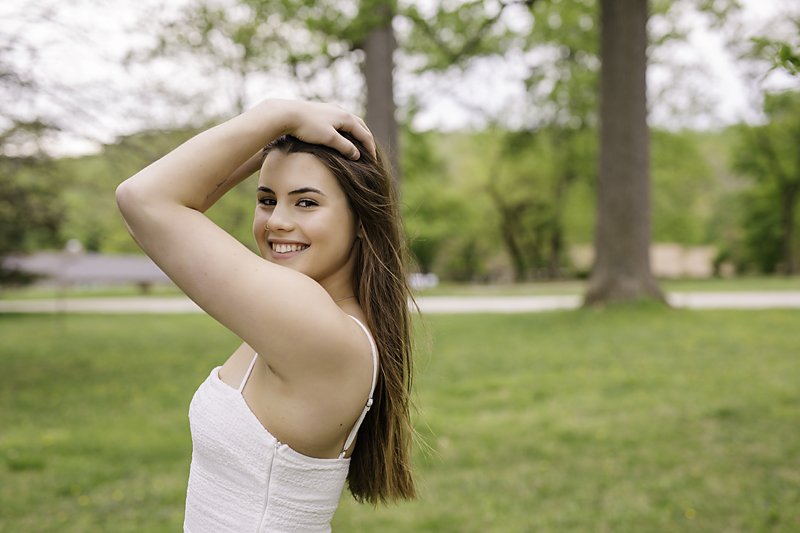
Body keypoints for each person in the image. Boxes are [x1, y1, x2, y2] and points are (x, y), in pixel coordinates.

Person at [116, 99, 416, 532]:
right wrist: (277, 142)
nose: (277, 222)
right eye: (266, 199)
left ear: (363, 220)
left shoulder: (313, 323)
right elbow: (164, 209)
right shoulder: (304, 312)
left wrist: (278, 114)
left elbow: (144, 198)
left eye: (306, 203)